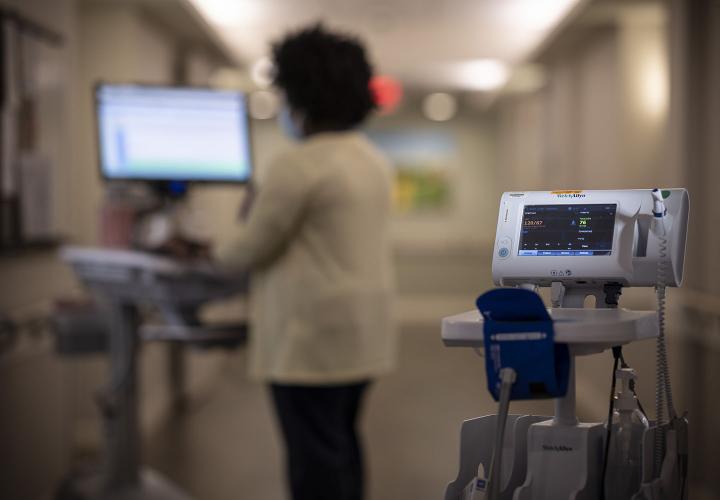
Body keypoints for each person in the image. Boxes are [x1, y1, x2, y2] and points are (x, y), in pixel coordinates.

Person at [215, 24, 397, 500]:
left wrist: (214, 245)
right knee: (342, 450)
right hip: (362, 336)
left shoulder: (297, 164)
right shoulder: (373, 160)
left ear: (300, 94)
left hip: (309, 342)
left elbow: (249, 250)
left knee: (314, 466)